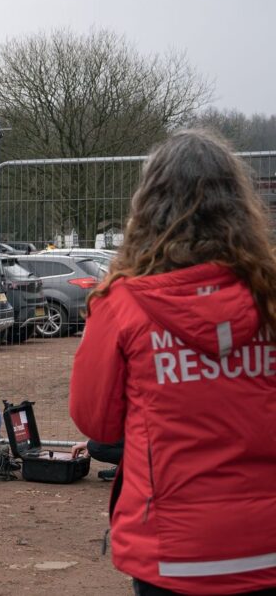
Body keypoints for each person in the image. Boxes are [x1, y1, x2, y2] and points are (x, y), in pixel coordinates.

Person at [70, 129, 276, 595]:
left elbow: (96, 422)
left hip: (173, 551)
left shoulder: (121, 304)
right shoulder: (269, 297)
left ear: (147, 208)